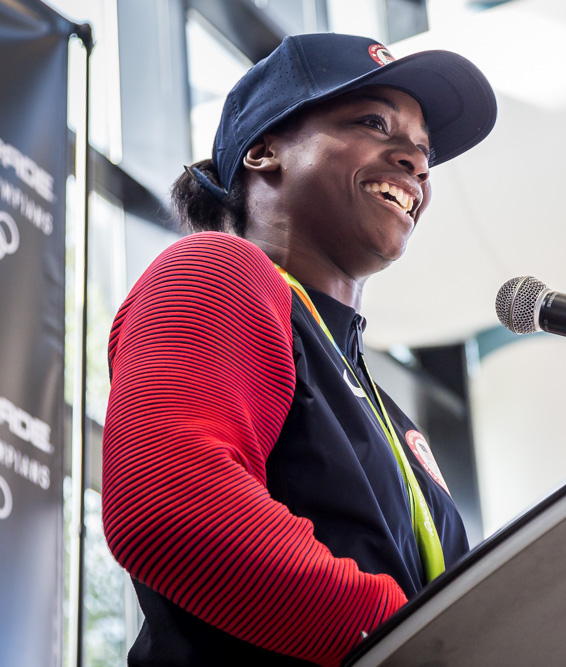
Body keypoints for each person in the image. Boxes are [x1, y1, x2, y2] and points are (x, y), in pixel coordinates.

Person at [101, 32, 496, 666]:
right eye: (374, 123)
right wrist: (414, 645)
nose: (417, 164)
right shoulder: (217, 270)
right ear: (264, 151)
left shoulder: (386, 414)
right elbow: (172, 505)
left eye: (424, 151)